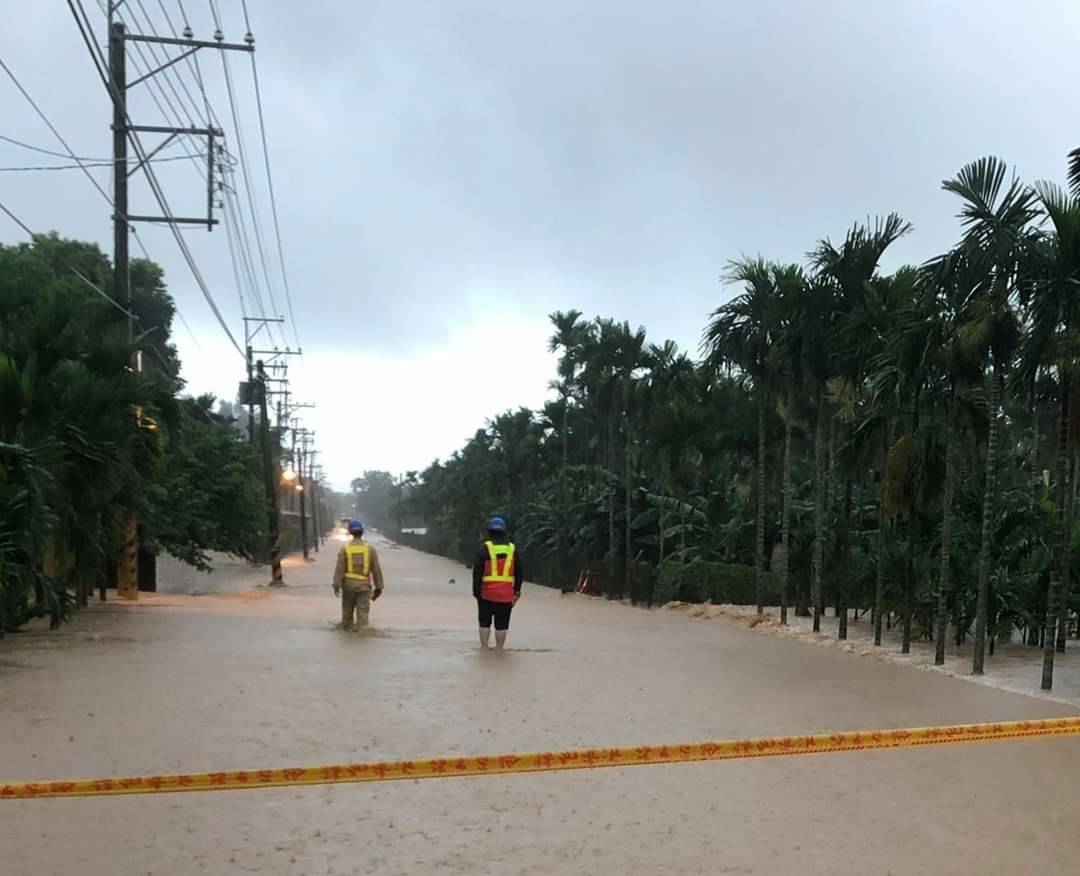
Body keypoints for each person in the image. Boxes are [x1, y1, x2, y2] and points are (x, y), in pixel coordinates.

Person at [472, 516, 522, 650]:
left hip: (486, 593)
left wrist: (477, 593)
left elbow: (477, 573)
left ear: (489, 532)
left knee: (484, 622)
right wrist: (517, 592)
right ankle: (499, 649)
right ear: (504, 532)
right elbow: (519, 573)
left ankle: (484, 648)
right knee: (502, 624)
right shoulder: (512, 550)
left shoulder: (484, 549)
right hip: (506, 595)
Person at [333, 519, 384, 630]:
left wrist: (336, 584)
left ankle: (347, 636)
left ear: (350, 532)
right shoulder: (370, 549)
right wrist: (379, 587)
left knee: (347, 615)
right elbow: (376, 569)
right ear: (362, 532)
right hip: (364, 587)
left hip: (348, 587)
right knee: (363, 617)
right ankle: (362, 637)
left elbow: (339, 568)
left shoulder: (345, 549)